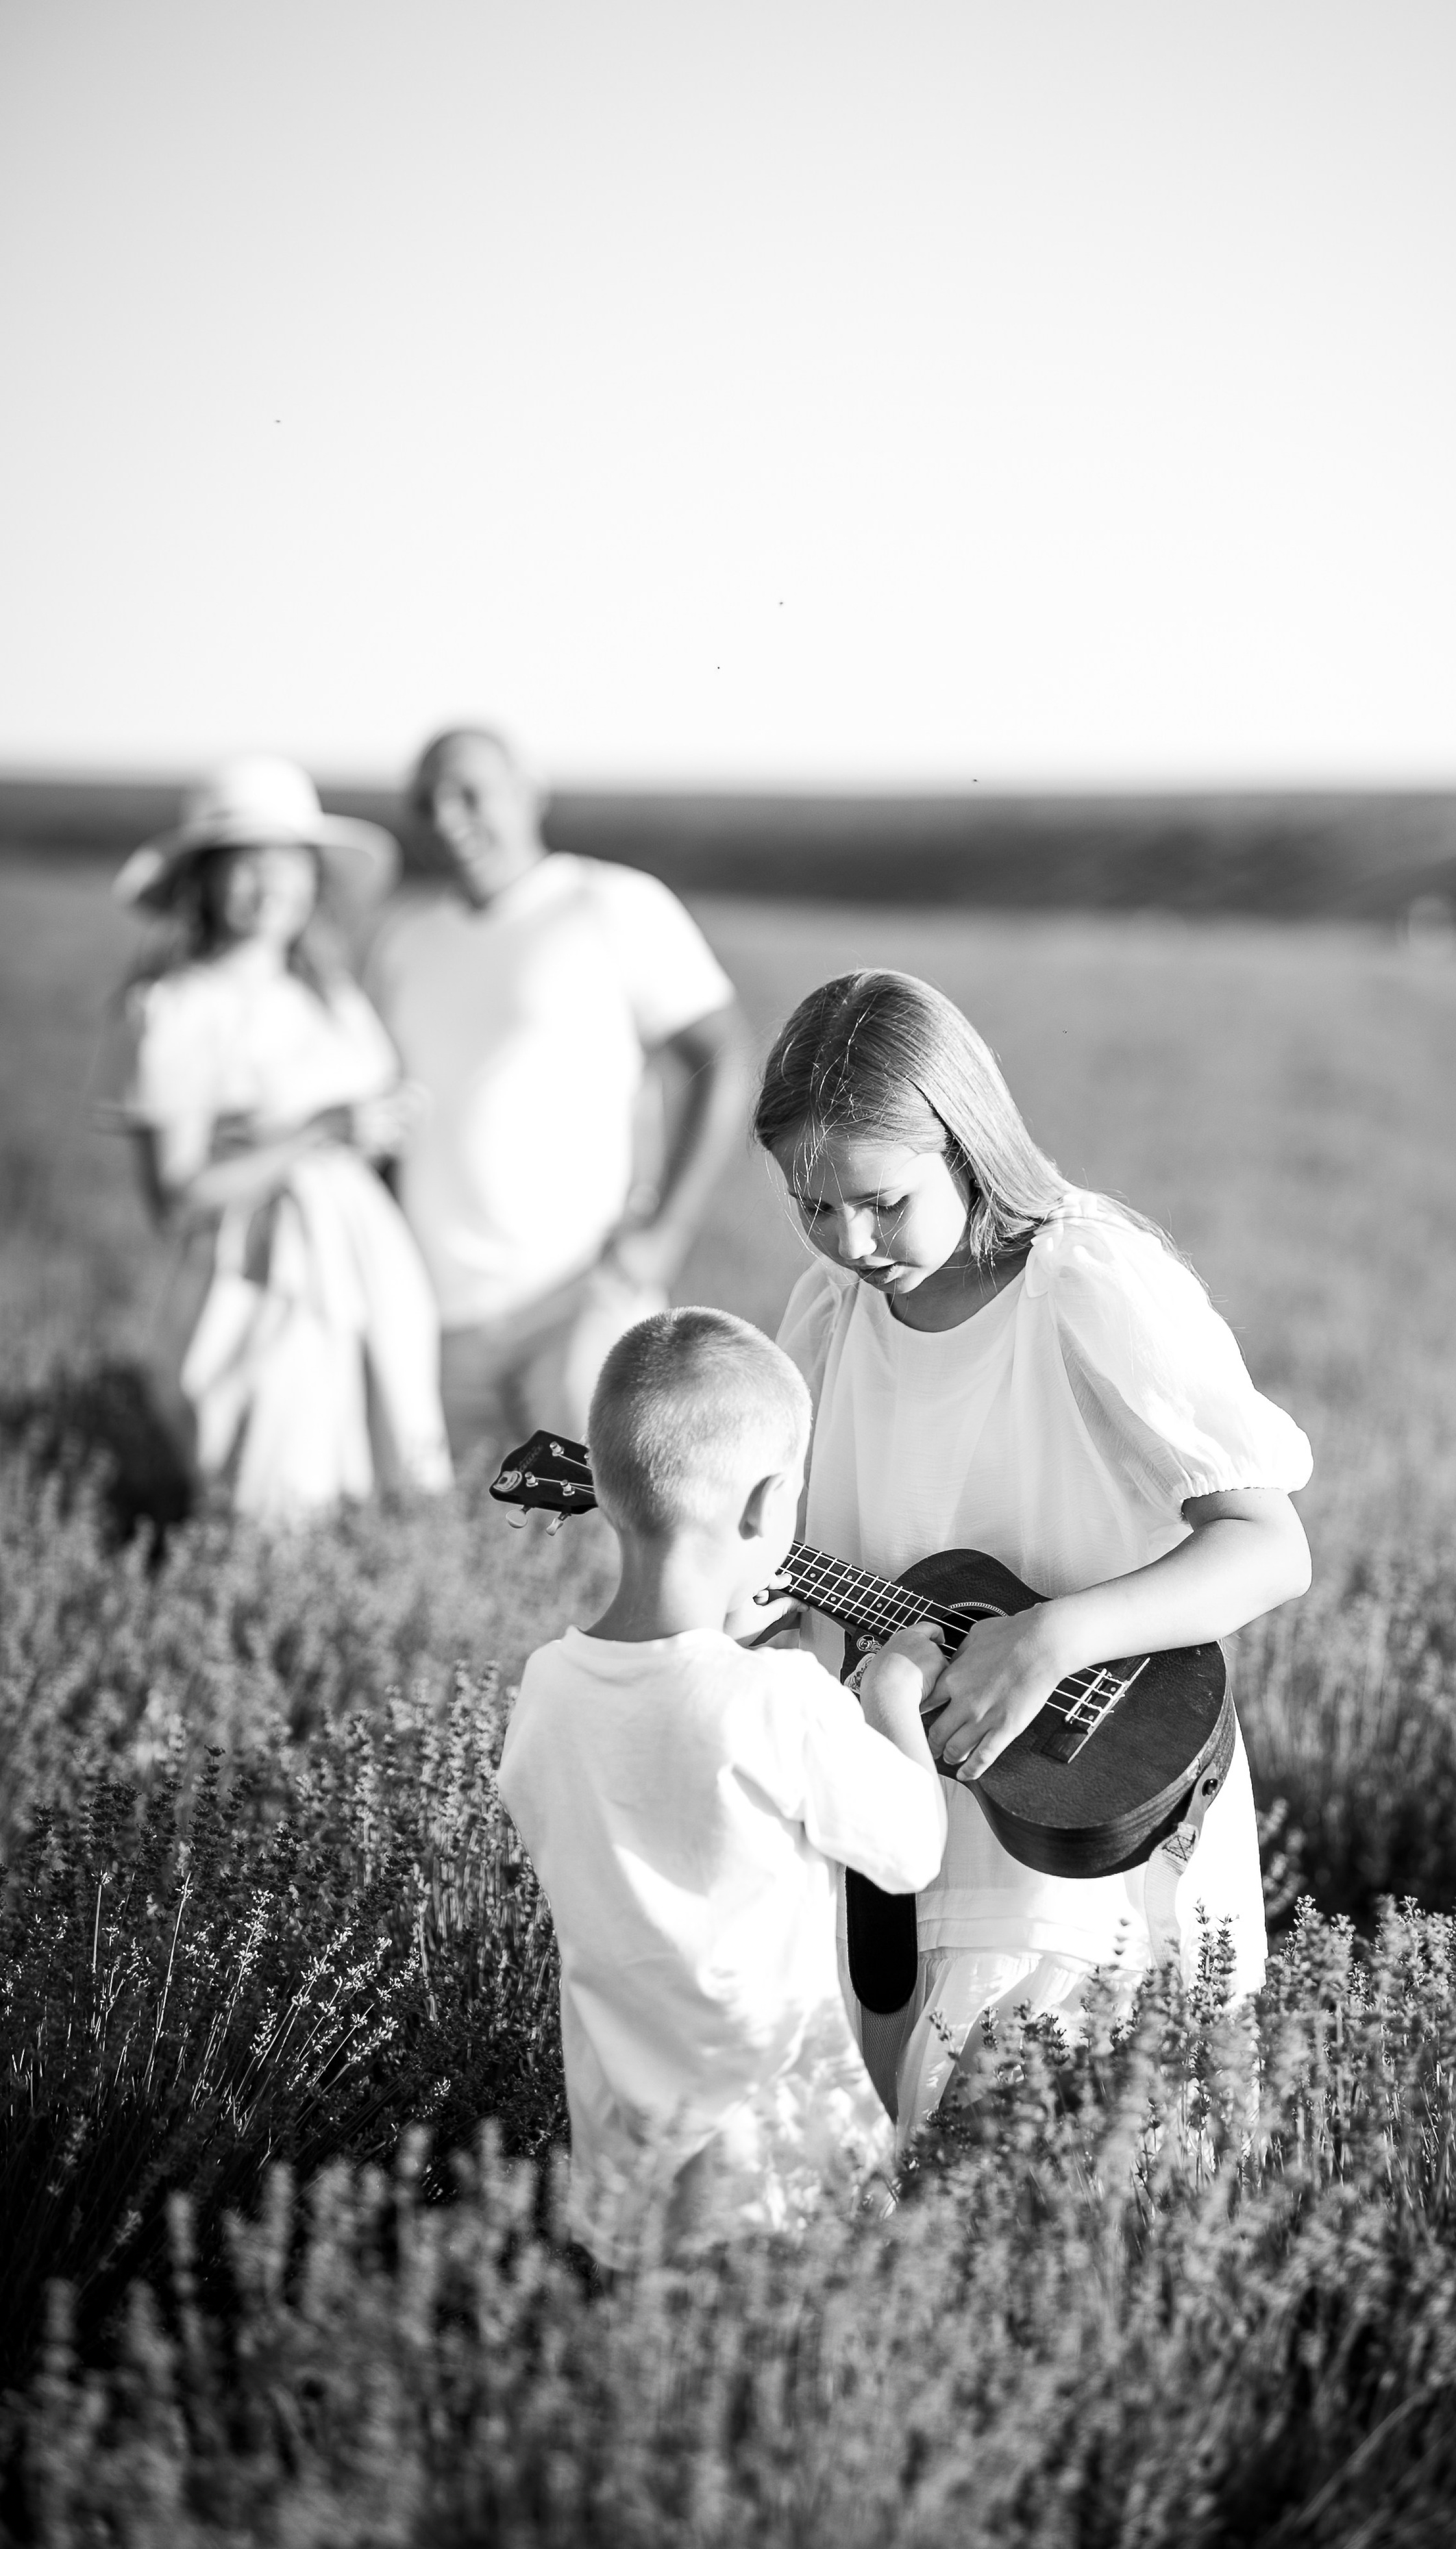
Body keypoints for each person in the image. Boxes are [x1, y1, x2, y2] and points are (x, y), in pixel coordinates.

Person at [753, 968, 1314, 2142]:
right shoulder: (827, 1315)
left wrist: (1050, 1639)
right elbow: (804, 1573)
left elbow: (1268, 1550)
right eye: (814, 1207)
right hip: (899, 1846)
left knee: (1055, 2192)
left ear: (965, 1145)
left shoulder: (1086, 1285)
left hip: (1083, 1822)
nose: (850, 1242)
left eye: (881, 1201)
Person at [496, 1307, 947, 2265]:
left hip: (625, 2170)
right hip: (787, 2167)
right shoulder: (780, 1697)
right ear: (768, 1506)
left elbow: (648, 1760)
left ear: (608, 1489)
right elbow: (910, 1850)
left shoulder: (547, 1688)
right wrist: (890, 1694)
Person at [369, 726, 748, 1461]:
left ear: (527, 791)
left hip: (579, 1301)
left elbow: (721, 1057)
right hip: (437, 1318)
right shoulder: (403, 942)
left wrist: (663, 1235)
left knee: (604, 1531)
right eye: (428, 801)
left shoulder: (609, 904)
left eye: (470, 793)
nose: (447, 818)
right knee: (484, 1545)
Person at [108, 756, 453, 1523]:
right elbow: (178, 1197)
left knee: (384, 1467)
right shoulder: (176, 1008)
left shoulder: (327, 990)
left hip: (366, 1253)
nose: (271, 886)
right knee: (274, 1482)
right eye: (245, 867)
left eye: (288, 865)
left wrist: (379, 1128)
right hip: (260, 1272)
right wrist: (321, 1130)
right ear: (204, 882)